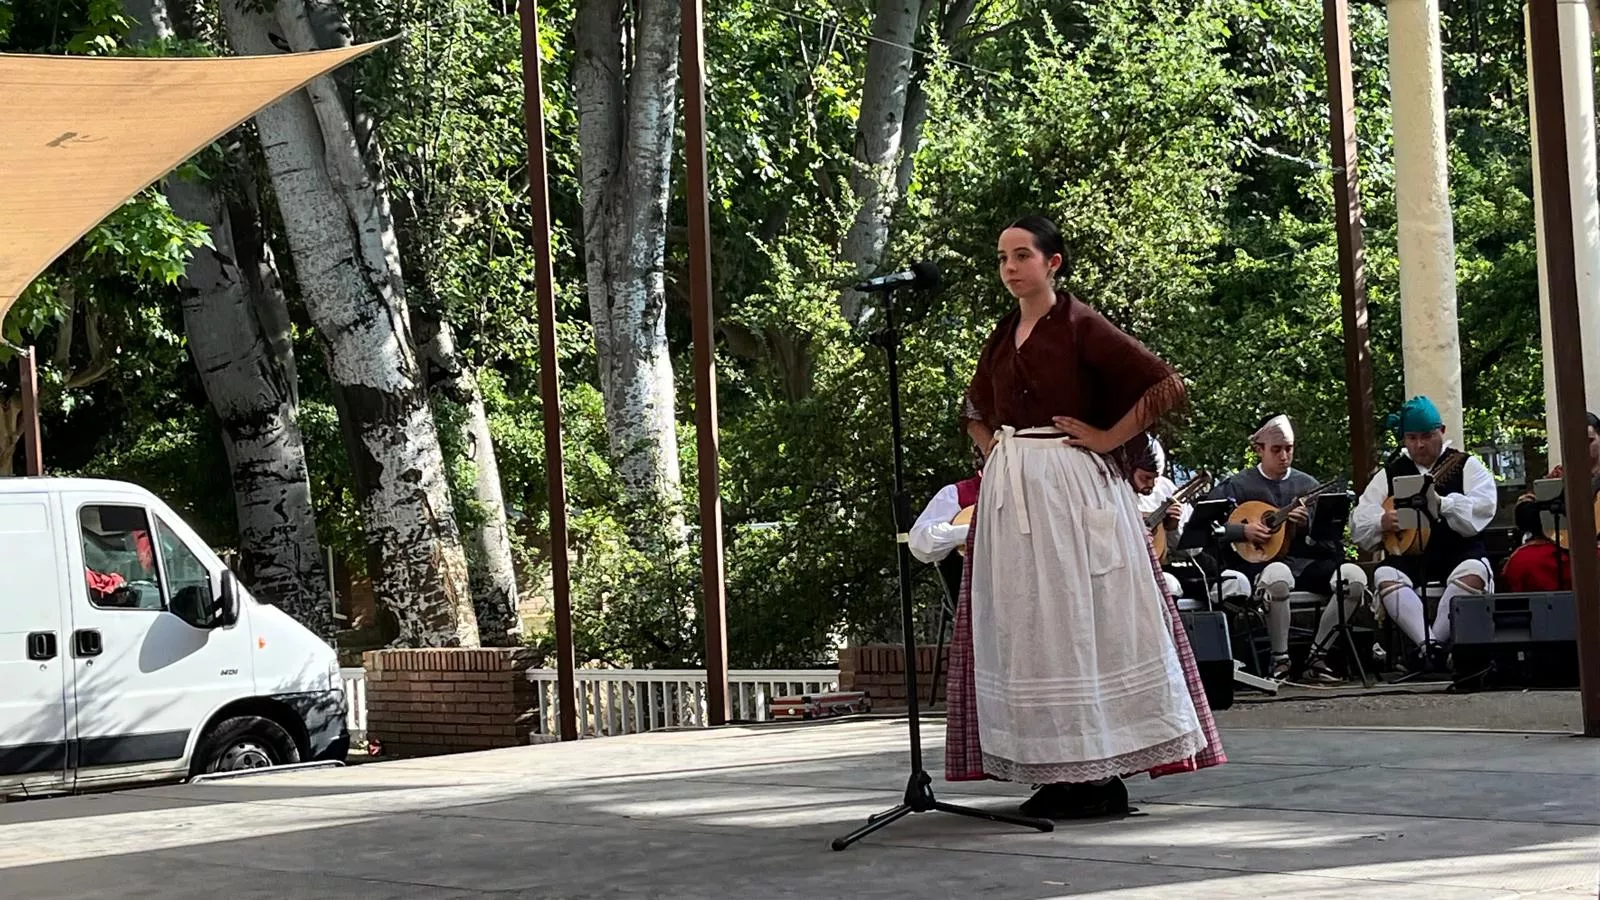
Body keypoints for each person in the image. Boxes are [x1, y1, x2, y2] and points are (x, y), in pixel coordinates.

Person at [944, 214, 1223, 821]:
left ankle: (1101, 771)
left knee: (1080, 620)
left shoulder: (1079, 323)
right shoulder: (1004, 333)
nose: (1010, 268)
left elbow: (1164, 383)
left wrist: (1106, 438)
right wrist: (994, 447)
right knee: (1033, 627)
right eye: (1002, 258)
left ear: (1053, 262)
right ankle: (1058, 769)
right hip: (1016, 489)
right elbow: (972, 405)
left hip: (1073, 489)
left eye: (1022, 255)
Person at [1206, 414, 1367, 682]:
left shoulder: (1308, 486)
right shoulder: (1239, 485)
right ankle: (1279, 659)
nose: (1284, 456)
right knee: (1278, 575)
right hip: (1261, 565)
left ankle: (1317, 656)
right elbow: (1208, 524)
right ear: (1259, 450)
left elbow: (1330, 539)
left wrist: (1306, 525)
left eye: (1288, 449)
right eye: (1276, 449)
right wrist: (1243, 531)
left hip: (1306, 563)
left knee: (1354, 579)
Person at [1351, 396, 1497, 669]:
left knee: (1475, 571)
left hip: (1457, 551)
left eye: (1427, 436)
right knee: (1385, 574)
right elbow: (1359, 522)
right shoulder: (1390, 474)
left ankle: (1428, 649)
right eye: (1412, 437)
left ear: (1441, 431)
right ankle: (1431, 647)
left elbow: (1483, 508)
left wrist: (1444, 504)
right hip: (1409, 557)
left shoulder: (1466, 465)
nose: (1419, 444)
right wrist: (1383, 521)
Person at [1502, 411, 1600, 592]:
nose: (1582, 449)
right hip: (1562, 549)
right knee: (1523, 563)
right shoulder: (1559, 475)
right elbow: (1525, 509)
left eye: (1588, 442)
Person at [1127, 433, 1191, 602]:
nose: (1151, 485)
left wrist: (1172, 527)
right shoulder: (1116, 490)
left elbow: (1189, 550)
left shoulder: (1165, 489)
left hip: (1163, 568)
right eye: (1145, 478)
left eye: (1155, 479)